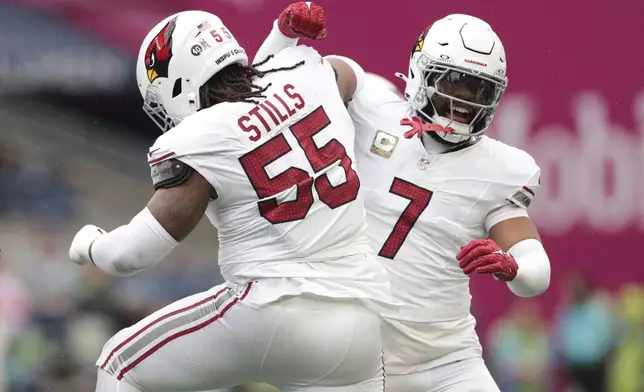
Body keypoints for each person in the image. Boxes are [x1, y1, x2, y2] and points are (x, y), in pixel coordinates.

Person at [68, 9, 394, 392]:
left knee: (119, 363)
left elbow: (131, 255)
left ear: (180, 81)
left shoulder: (201, 136)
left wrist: (91, 245)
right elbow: (279, 100)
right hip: (358, 324)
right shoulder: (308, 72)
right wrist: (281, 36)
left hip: (269, 308)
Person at [256, 5, 552, 391]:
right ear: (420, 72)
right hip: (351, 360)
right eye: (452, 83)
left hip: (446, 361)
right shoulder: (371, 104)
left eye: (477, 89)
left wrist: (513, 265)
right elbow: (270, 92)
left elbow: (537, 270)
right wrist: (283, 35)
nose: (464, 101)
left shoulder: (500, 169)